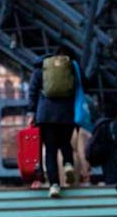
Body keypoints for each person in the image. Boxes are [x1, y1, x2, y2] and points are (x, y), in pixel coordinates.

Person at [27, 47, 90, 198]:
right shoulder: (72, 66)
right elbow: (85, 85)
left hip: (46, 114)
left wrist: (31, 112)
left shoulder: (41, 66)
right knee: (65, 142)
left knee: (50, 150)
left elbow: (33, 90)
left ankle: (54, 185)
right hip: (67, 113)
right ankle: (68, 164)